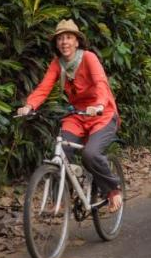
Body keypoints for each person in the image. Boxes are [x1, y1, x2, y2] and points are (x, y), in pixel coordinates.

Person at [16, 19, 123, 212]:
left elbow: (101, 83)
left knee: (90, 154)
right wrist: (30, 105)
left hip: (102, 113)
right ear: (56, 44)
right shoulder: (57, 64)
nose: (64, 42)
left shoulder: (89, 57)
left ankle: (113, 189)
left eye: (68, 37)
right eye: (60, 39)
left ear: (76, 41)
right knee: (61, 151)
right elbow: (44, 87)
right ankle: (65, 196)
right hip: (78, 115)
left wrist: (98, 104)